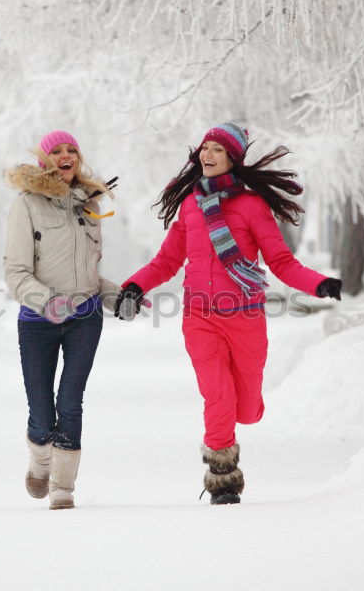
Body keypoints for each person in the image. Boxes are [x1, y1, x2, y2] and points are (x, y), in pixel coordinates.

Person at [115, 122, 342, 506]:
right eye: (205, 148)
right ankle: (223, 478)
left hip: (245, 316)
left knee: (247, 406)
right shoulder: (191, 205)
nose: (207, 155)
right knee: (217, 395)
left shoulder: (253, 206)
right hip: (199, 316)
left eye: (217, 150)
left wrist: (319, 283)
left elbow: (281, 262)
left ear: (233, 158)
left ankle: (235, 427)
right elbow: (168, 260)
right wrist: (134, 287)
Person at [4, 130, 120, 510]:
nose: (67, 155)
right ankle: (40, 458)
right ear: (45, 160)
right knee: (41, 409)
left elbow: (89, 272)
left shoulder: (89, 205)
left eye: (72, 150)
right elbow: (16, 273)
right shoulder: (26, 206)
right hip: (38, 321)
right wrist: (47, 303)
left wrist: (116, 295)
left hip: (85, 316)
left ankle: (63, 487)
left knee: (71, 401)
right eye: (58, 150)